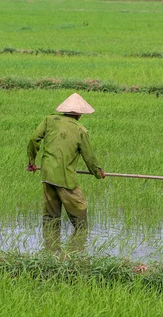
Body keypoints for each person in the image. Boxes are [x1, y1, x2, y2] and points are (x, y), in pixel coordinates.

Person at [27, 93, 105, 253]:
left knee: (50, 218)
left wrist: (32, 162)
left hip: (47, 175)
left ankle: (50, 254)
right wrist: (98, 172)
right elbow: (88, 156)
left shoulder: (49, 120)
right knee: (80, 218)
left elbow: (33, 139)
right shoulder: (80, 130)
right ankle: (76, 255)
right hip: (65, 179)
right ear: (79, 113)